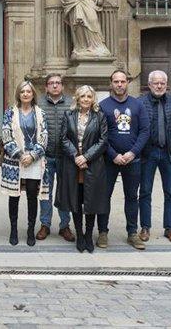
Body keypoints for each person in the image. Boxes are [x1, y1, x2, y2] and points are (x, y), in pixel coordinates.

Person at [98, 70, 150, 250]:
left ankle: (132, 233)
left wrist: (133, 153)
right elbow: (100, 135)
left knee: (132, 197)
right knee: (104, 196)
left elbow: (145, 131)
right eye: (116, 81)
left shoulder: (137, 105)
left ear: (127, 82)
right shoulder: (103, 106)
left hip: (132, 160)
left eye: (122, 81)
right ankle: (103, 232)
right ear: (111, 83)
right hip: (109, 160)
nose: (119, 84)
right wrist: (113, 155)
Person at [56, 85, 109, 253]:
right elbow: (63, 138)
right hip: (73, 165)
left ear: (93, 99)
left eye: (89, 96)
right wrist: (76, 156)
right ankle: (79, 234)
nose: (86, 99)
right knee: (76, 200)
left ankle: (88, 235)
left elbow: (103, 141)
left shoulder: (100, 116)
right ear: (77, 98)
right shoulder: (69, 115)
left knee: (91, 201)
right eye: (83, 96)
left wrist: (86, 157)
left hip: (93, 165)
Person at [0, 81, 49, 246]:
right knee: (14, 196)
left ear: (33, 94)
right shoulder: (10, 113)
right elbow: (6, 135)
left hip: (34, 160)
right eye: (23, 92)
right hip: (15, 160)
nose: (26, 94)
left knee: (32, 196)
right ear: (18, 94)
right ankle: (13, 230)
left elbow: (44, 136)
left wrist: (33, 155)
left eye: (29, 91)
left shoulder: (40, 113)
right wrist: (21, 155)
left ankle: (30, 230)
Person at [139, 70, 171, 245]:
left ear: (166, 85)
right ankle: (145, 227)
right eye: (156, 83)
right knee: (145, 191)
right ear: (149, 85)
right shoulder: (140, 102)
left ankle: (170, 228)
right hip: (148, 153)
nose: (159, 86)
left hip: (168, 153)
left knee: (170, 192)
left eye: (162, 83)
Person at [36, 73, 74, 242]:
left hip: (66, 157)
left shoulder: (72, 104)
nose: (55, 85)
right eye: (51, 83)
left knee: (64, 192)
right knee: (45, 192)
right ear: (46, 87)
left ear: (62, 86)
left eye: (58, 83)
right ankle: (45, 224)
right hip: (46, 156)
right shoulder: (39, 104)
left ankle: (65, 226)